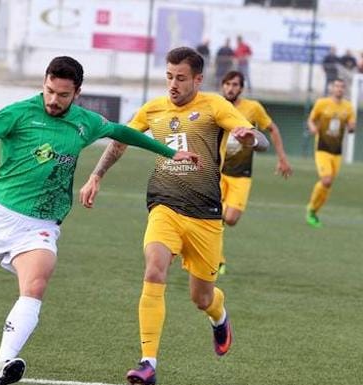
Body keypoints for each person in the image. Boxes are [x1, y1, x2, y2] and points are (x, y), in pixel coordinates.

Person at [0, 56, 200, 385]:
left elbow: (123, 132)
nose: (53, 100)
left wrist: (170, 152)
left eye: (62, 95)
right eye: (49, 91)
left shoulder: (85, 122)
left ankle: (2, 365)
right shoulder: (19, 112)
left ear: (77, 93)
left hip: (41, 225)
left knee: (35, 286)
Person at [79, 47, 263, 385]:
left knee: (201, 297)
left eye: (180, 78)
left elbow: (250, 133)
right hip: (164, 205)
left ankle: (219, 315)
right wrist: (96, 175)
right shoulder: (153, 109)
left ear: (197, 79)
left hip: (205, 216)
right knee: (154, 267)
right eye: (169, 77)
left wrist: (248, 136)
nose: (173, 85)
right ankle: (148, 362)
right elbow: (121, 140)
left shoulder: (214, 106)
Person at [218, 70, 289, 273]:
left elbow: (272, 128)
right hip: (218, 171)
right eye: (228, 84)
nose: (231, 88)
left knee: (230, 219)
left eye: (235, 85)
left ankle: (210, 212)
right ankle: (218, 260)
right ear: (223, 85)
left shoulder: (253, 108)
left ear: (241, 88)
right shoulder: (216, 105)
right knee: (215, 218)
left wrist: (282, 157)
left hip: (241, 174)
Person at [305, 78, 355, 228]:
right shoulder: (322, 103)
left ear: (344, 90)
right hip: (322, 149)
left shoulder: (348, 107)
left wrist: (352, 127)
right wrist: (313, 127)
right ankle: (310, 208)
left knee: (328, 184)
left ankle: (314, 211)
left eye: (342, 87)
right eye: (337, 86)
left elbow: (351, 124)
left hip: (337, 152)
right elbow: (311, 120)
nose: (339, 89)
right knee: (326, 180)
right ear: (332, 88)